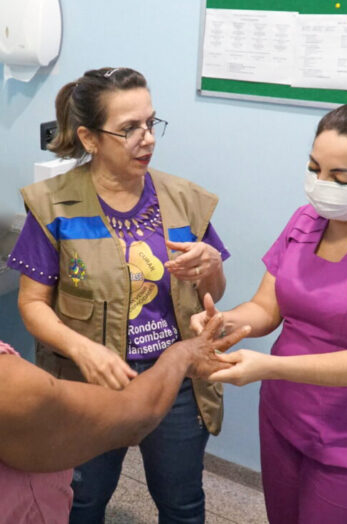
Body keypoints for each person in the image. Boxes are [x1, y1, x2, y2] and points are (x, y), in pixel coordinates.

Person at [191, 101, 347, 524]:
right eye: (315, 169)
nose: (321, 185)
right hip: (283, 418)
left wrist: (269, 366)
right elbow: (266, 307)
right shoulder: (305, 221)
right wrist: (225, 323)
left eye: (340, 178)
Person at [7, 67, 231, 524]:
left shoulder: (184, 199)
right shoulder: (54, 206)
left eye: (150, 123)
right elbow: (31, 304)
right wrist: (81, 348)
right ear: (89, 138)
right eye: (129, 128)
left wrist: (212, 268)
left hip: (175, 377)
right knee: (81, 501)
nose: (147, 139)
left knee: (182, 501)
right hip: (87, 380)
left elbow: (213, 292)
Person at [0, 319, 249, 524]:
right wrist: (182, 355)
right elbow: (135, 414)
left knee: (181, 499)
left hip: (172, 383)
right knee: (86, 499)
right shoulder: (12, 386)